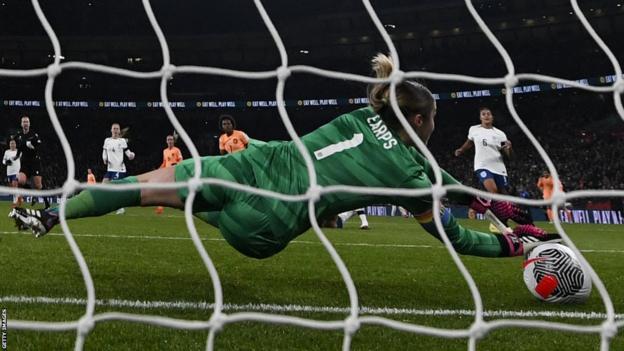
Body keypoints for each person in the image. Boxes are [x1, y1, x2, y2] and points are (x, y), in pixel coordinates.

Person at [10, 53, 558, 260]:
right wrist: (513, 242)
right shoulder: (408, 174)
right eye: (433, 119)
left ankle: (54, 214)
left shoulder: (363, 116)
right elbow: (452, 233)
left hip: (243, 170)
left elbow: (438, 176)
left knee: (138, 184)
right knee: (184, 201)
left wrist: (495, 204)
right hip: (265, 225)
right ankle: (56, 213)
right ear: (419, 121)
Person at [454, 107, 512, 232]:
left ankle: (503, 222)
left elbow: (509, 156)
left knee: (504, 198)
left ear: (492, 117)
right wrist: (461, 150)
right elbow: (469, 142)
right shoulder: (474, 129)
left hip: (499, 168)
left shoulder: (500, 133)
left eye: (488, 114)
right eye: (483, 114)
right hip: (482, 165)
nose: (486, 116)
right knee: (493, 191)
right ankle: (493, 221)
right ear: (480, 117)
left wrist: (509, 148)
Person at [15, 116, 49, 208]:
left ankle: (47, 204)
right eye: (24, 122)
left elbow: (39, 145)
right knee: (20, 180)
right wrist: (16, 156)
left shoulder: (34, 134)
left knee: (38, 185)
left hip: (34, 161)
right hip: (25, 162)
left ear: (29, 124)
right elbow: (20, 148)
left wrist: (33, 147)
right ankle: (22, 199)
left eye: (27, 122)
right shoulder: (19, 136)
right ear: (21, 124)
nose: (25, 123)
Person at [102, 123, 135, 214]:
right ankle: (109, 205)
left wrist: (131, 155)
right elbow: (104, 151)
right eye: (114, 128)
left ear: (119, 131)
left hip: (119, 169)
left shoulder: (122, 141)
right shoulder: (107, 140)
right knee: (104, 185)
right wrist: (104, 159)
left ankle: (120, 207)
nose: (116, 130)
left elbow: (127, 152)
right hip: (110, 169)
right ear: (111, 130)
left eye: (117, 129)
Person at [155, 134, 183, 215]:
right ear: (166, 141)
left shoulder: (177, 150)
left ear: (174, 141)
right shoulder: (165, 151)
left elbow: (181, 160)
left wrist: (176, 164)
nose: (170, 141)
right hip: (167, 173)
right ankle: (160, 206)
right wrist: (159, 169)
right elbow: (165, 162)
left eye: (171, 139)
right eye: (168, 140)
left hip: (175, 172)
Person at [3, 139, 23, 206]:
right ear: (9, 145)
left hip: (16, 172)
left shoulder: (18, 151)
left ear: (15, 144)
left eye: (13, 143)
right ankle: (19, 197)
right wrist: (6, 162)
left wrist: (11, 159)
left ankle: (15, 202)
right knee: (12, 188)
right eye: (11, 143)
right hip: (9, 172)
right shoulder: (6, 152)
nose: (12, 145)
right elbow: (3, 160)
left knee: (15, 186)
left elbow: (18, 158)